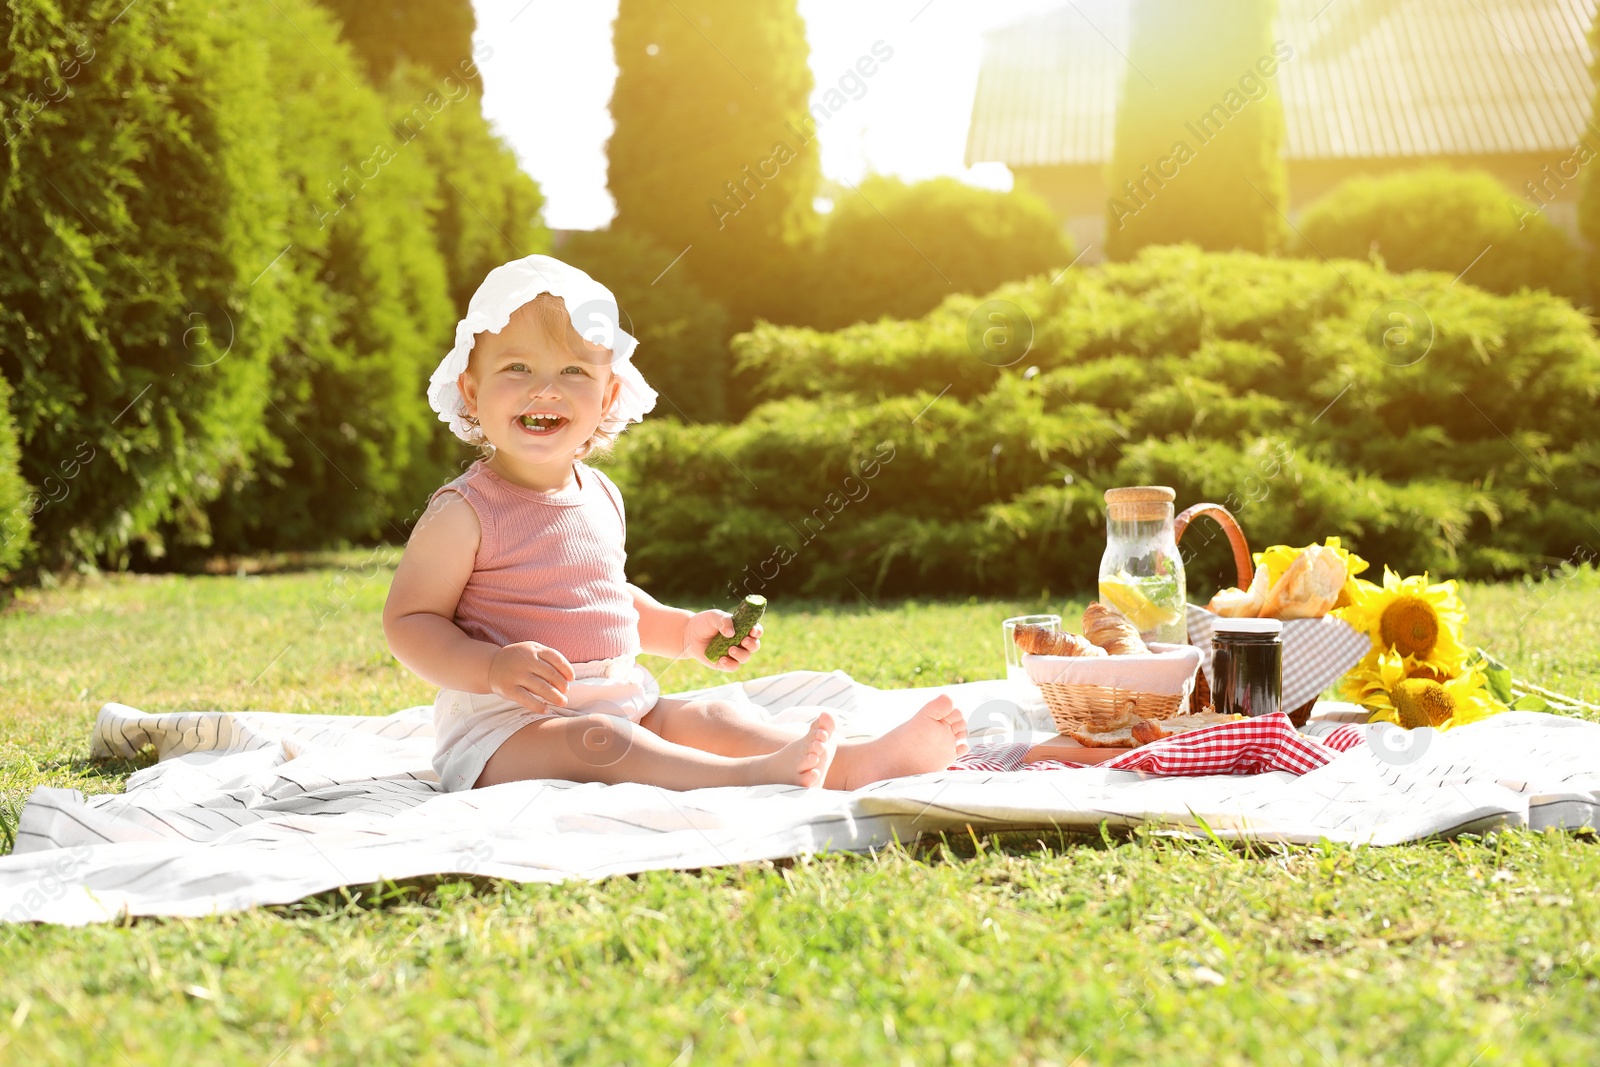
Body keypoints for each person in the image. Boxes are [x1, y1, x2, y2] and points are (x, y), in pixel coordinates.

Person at [383, 255, 968, 793]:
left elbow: (606, 601)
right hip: (508, 727)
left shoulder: (600, 495)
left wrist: (682, 632)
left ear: (608, 395)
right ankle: (749, 778)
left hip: (615, 695)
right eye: (517, 367)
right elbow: (410, 621)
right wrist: (490, 666)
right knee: (604, 743)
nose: (546, 389)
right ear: (471, 390)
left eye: (573, 371)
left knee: (710, 715)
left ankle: (854, 765)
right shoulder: (464, 512)